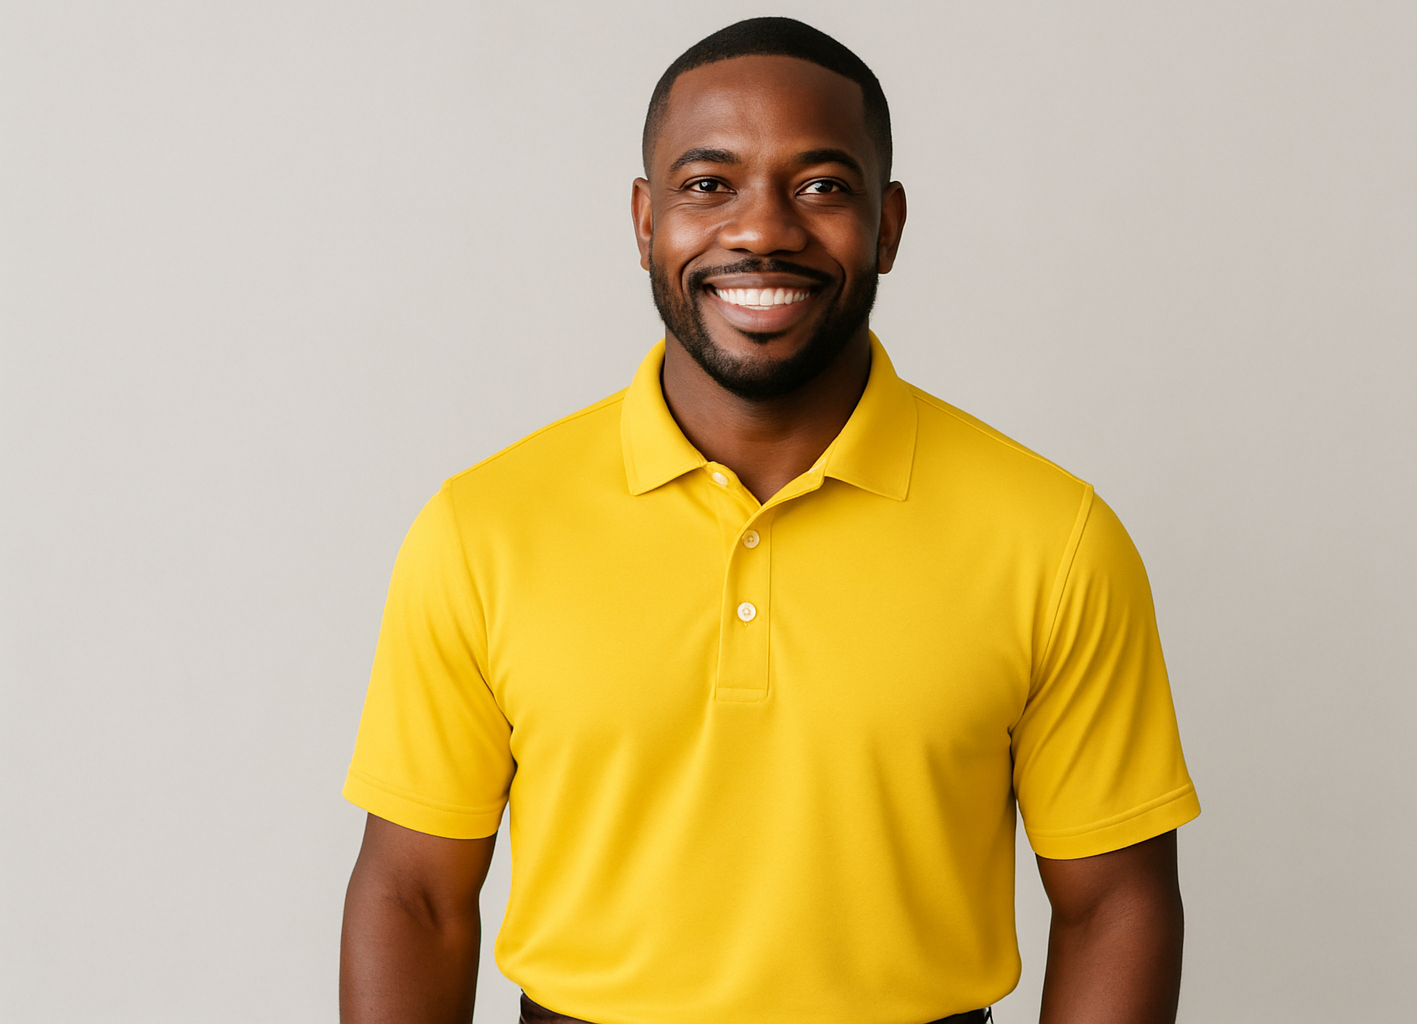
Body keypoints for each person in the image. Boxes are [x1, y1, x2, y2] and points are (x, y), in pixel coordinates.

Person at [340, 16, 1199, 1024]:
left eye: (822, 187)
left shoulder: (1055, 538)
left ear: (888, 224)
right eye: (709, 185)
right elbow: (416, 896)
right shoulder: (481, 529)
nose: (761, 229)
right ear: (644, 220)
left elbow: (1114, 906)